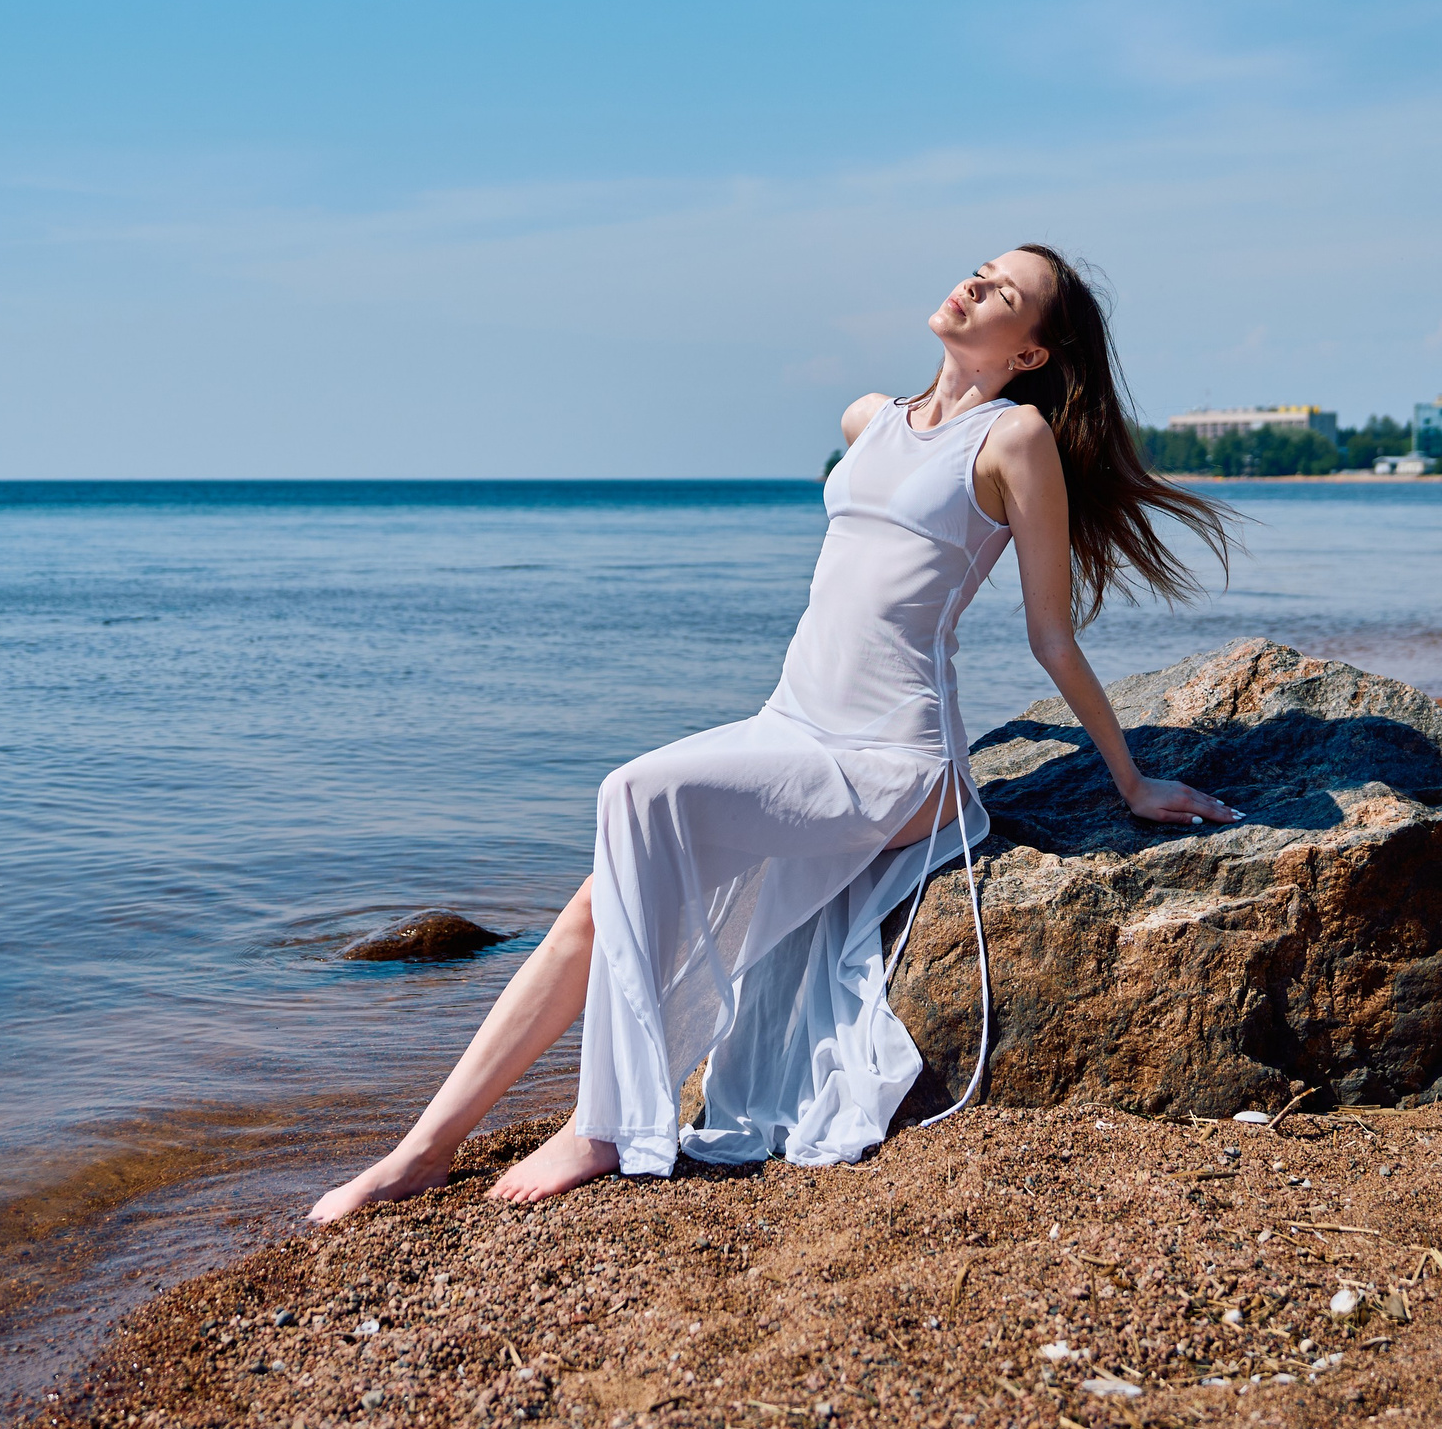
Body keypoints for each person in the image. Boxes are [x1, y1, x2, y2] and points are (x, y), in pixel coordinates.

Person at [310, 246, 1240, 1223]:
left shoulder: (1014, 439)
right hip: (791, 726)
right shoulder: (866, 418)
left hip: (897, 762)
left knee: (631, 791)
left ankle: (605, 1125)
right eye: (978, 269)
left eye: (1002, 291)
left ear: (1031, 352)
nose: (971, 285)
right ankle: (419, 1151)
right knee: (597, 901)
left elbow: (1050, 636)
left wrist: (1131, 782)